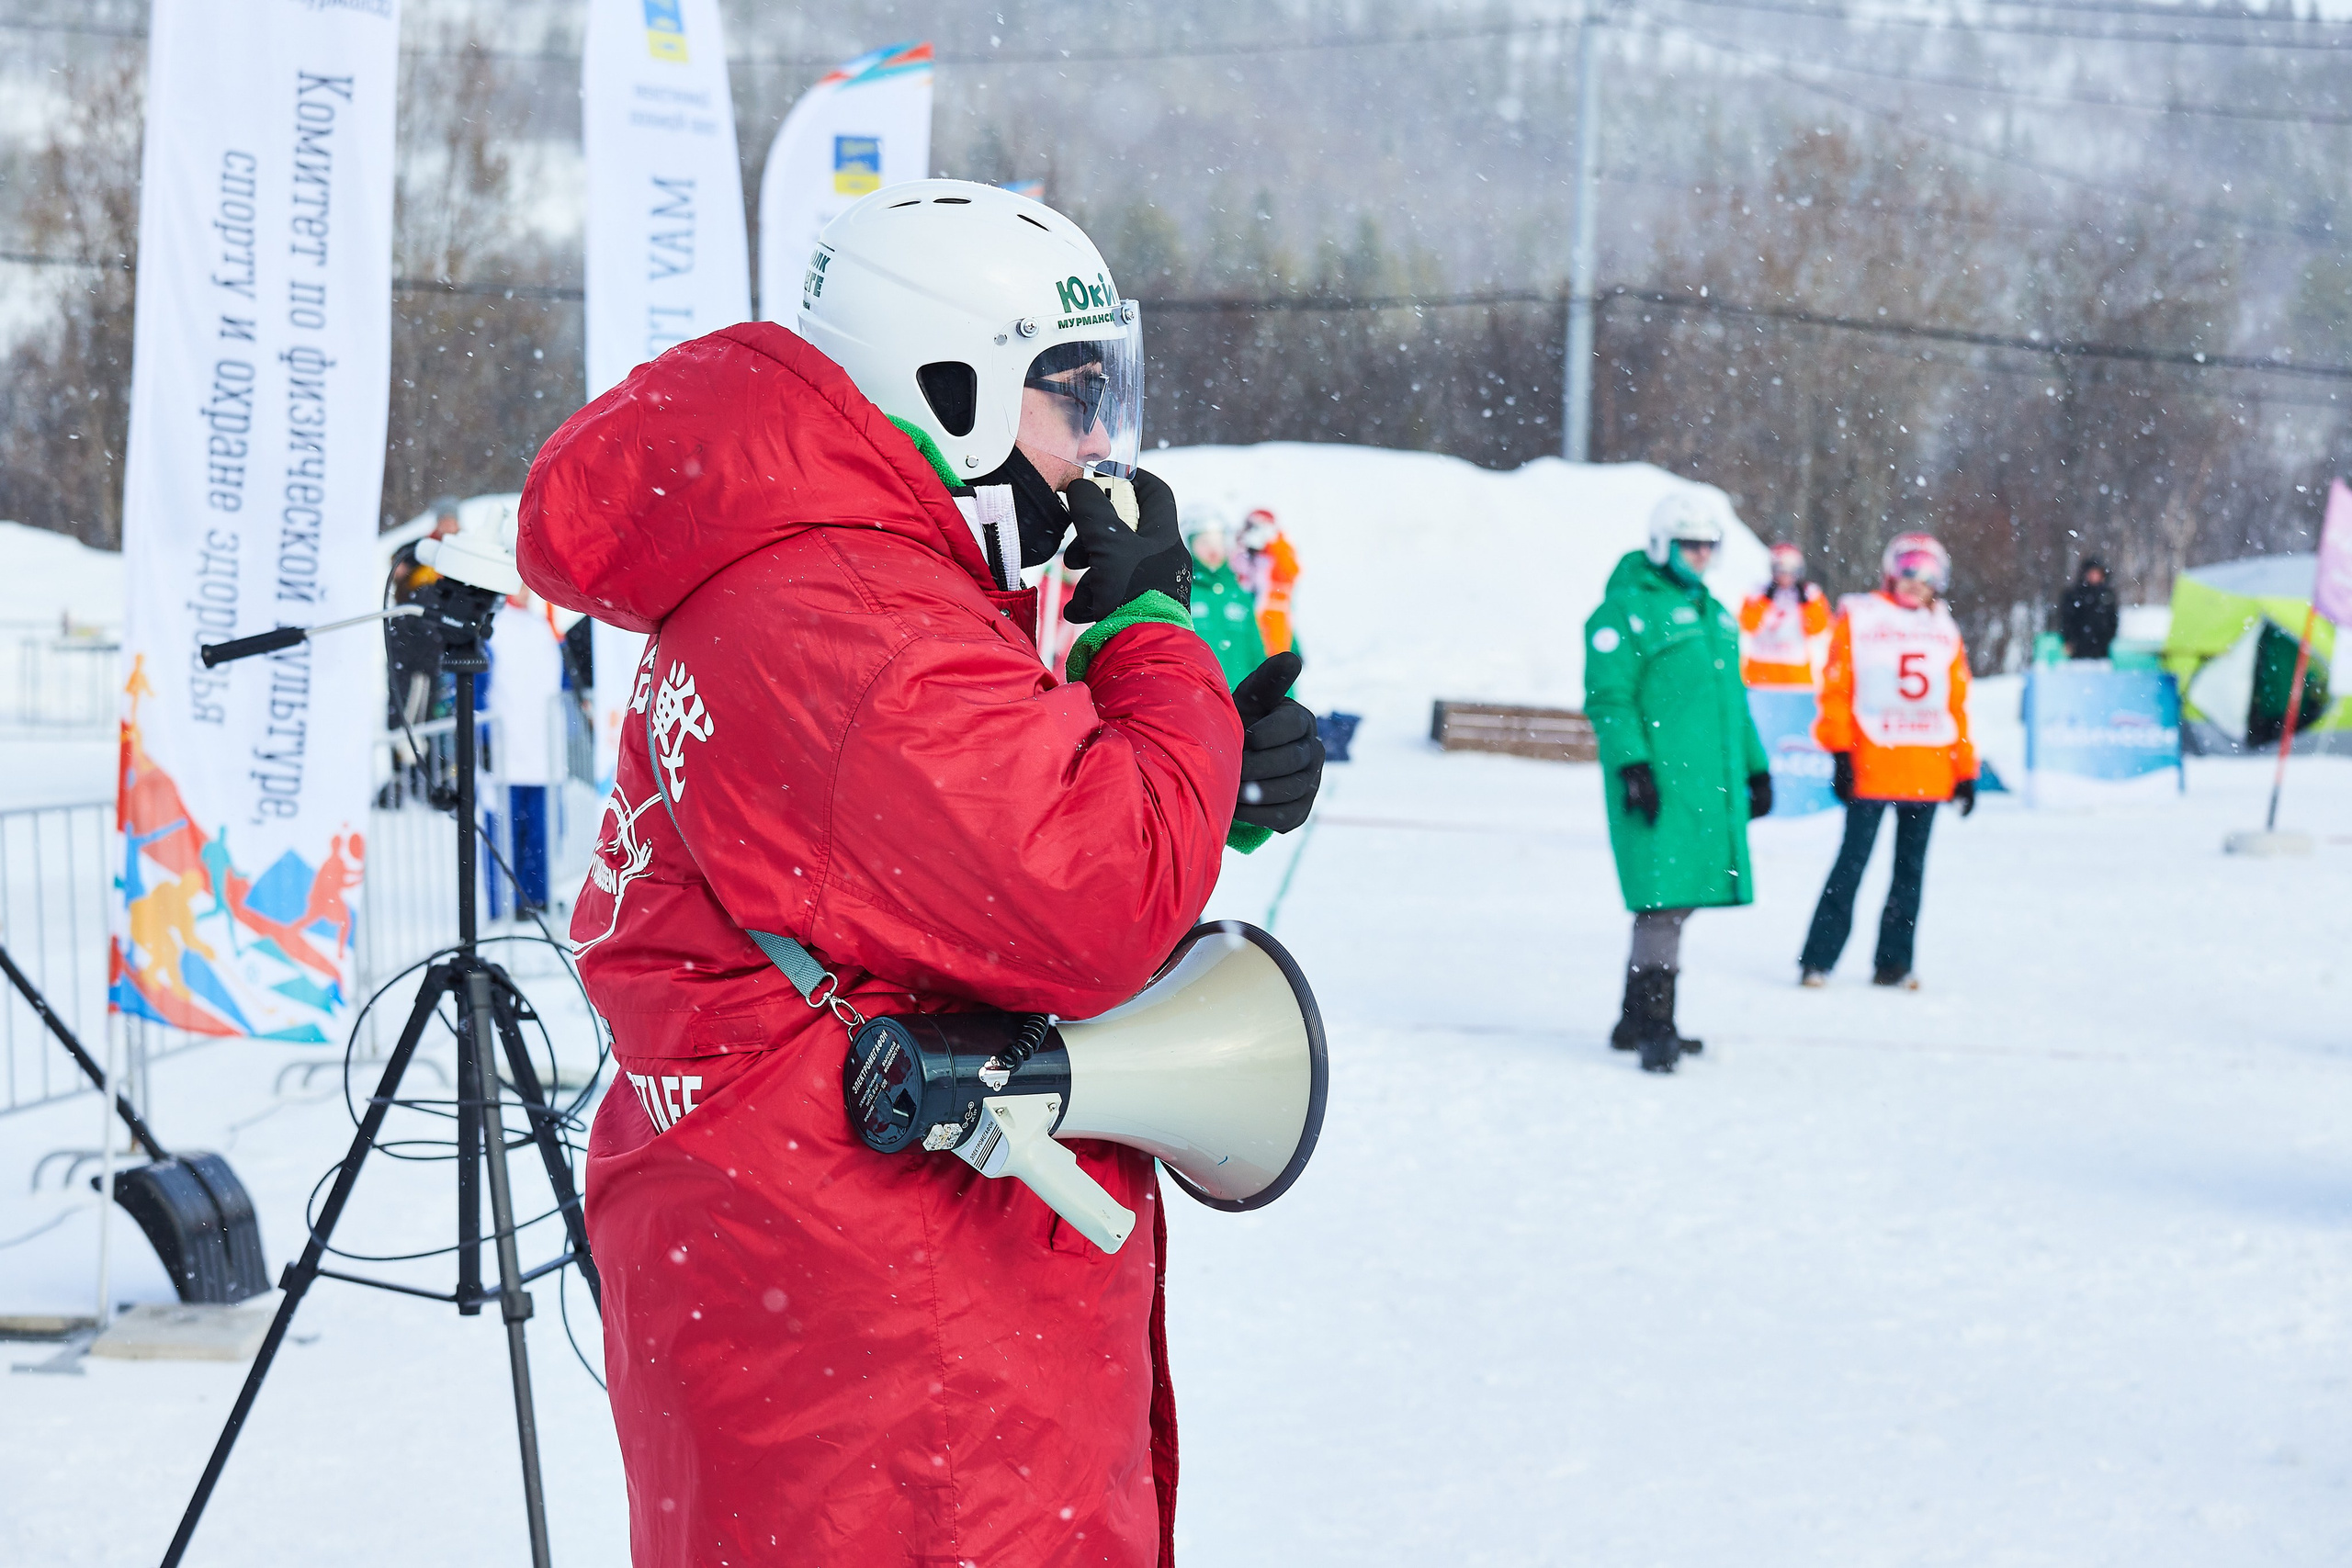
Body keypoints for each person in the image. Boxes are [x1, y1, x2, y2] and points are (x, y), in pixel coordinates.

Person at [515, 181, 1325, 1567]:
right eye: (1065, 396)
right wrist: (1151, 639)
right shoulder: (852, 619)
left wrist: (1195, 766)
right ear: (944, 383)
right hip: (901, 1364)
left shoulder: (834, 564)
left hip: (848, 1309)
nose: (1093, 446)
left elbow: (943, 846)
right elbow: (1090, 896)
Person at [1584, 492, 1772, 1074]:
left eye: (1708, 546)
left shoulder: (1715, 614)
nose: (1699, 556)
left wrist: (1755, 766)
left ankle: (1632, 1018)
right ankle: (1655, 1024)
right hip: (1661, 783)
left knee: (1677, 902)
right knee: (1661, 902)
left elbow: (1732, 703)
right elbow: (1609, 698)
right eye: (1690, 544)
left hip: (1705, 787)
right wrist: (1633, 765)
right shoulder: (1624, 611)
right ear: (1663, 544)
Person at [1798, 532, 1977, 989]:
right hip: (1873, 762)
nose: (1918, 582)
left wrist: (1965, 771)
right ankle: (1819, 959)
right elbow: (1837, 690)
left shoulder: (1943, 627)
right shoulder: (1860, 617)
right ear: (1892, 572)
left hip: (1929, 765)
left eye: (1929, 574)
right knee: (1851, 864)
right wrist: (1840, 752)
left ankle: (1893, 963)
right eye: (1910, 570)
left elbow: (1955, 705)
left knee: (1910, 873)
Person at [1187, 520, 1270, 689]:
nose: (1213, 549)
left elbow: (1256, 650)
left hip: (1240, 700)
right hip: (1198, 696)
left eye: (1219, 541)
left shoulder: (1239, 594)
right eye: (1204, 542)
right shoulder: (1184, 594)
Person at [1737, 540, 1831, 687]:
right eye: (1781, 569)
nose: (1787, 575)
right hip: (1760, 673)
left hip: (1796, 675)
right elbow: (1748, 625)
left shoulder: (1810, 594)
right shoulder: (1757, 592)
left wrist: (1806, 604)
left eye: (1792, 570)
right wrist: (1765, 600)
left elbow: (1817, 629)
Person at [1238, 505, 1301, 656]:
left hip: (1274, 620)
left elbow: (1289, 571)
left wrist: (1273, 541)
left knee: (1276, 662)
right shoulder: (1244, 555)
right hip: (1247, 618)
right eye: (1252, 527)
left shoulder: (1279, 552)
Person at [2060, 556, 2120, 660]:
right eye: (2092, 573)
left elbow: (2112, 620)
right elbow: (2066, 620)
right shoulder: (2074, 595)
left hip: (2101, 651)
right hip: (2078, 652)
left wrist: (2106, 639)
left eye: (2097, 573)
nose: (2095, 576)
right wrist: (2070, 640)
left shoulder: (2107, 596)